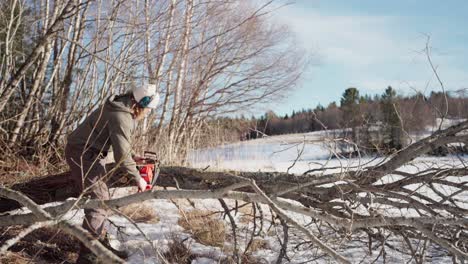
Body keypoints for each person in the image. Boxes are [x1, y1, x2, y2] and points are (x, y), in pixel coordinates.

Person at [65, 84, 159, 263]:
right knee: (98, 202)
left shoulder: (120, 106)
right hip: (82, 153)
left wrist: (133, 157)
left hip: (91, 152)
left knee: (102, 197)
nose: (147, 112)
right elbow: (121, 156)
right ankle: (89, 256)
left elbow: (119, 142)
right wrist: (138, 178)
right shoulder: (121, 116)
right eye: (147, 109)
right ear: (139, 105)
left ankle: (99, 244)